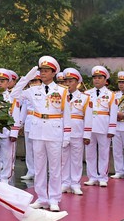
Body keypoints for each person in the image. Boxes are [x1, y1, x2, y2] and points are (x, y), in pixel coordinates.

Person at [11, 57, 71, 212]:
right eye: (41, 71)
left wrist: (67, 136)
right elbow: (14, 94)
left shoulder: (62, 91)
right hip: (38, 132)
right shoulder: (33, 90)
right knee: (39, 167)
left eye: (46, 71)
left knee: (55, 167)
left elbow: (67, 115)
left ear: (53, 72)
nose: (43, 73)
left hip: (54, 131)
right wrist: (26, 78)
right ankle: (42, 197)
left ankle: (54, 199)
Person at [84, 66, 117, 187]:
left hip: (103, 126)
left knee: (104, 152)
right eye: (95, 78)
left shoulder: (110, 95)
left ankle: (103, 177)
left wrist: (112, 129)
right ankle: (92, 176)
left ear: (105, 80)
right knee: (90, 153)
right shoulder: (87, 94)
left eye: (100, 78)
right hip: (89, 127)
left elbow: (113, 113)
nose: (97, 80)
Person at [61, 68, 90, 195]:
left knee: (76, 159)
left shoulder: (84, 98)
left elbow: (88, 117)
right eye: (66, 81)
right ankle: (65, 182)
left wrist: (87, 134)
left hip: (77, 131)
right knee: (63, 159)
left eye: (71, 81)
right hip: (62, 131)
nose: (68, 83)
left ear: (77, 82)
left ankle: (75, 183)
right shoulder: (60, 96)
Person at [14, 69, 42, 181]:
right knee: (29, 149)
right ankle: (31, 171)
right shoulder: (28, 93)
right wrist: (20, 124)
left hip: (41, 122)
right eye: (32, 81)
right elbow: (24, 109)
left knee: (40, 150)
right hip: (30, 122)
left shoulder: (45, 92)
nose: (34, 83)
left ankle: (40, 171)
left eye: (36, 80)